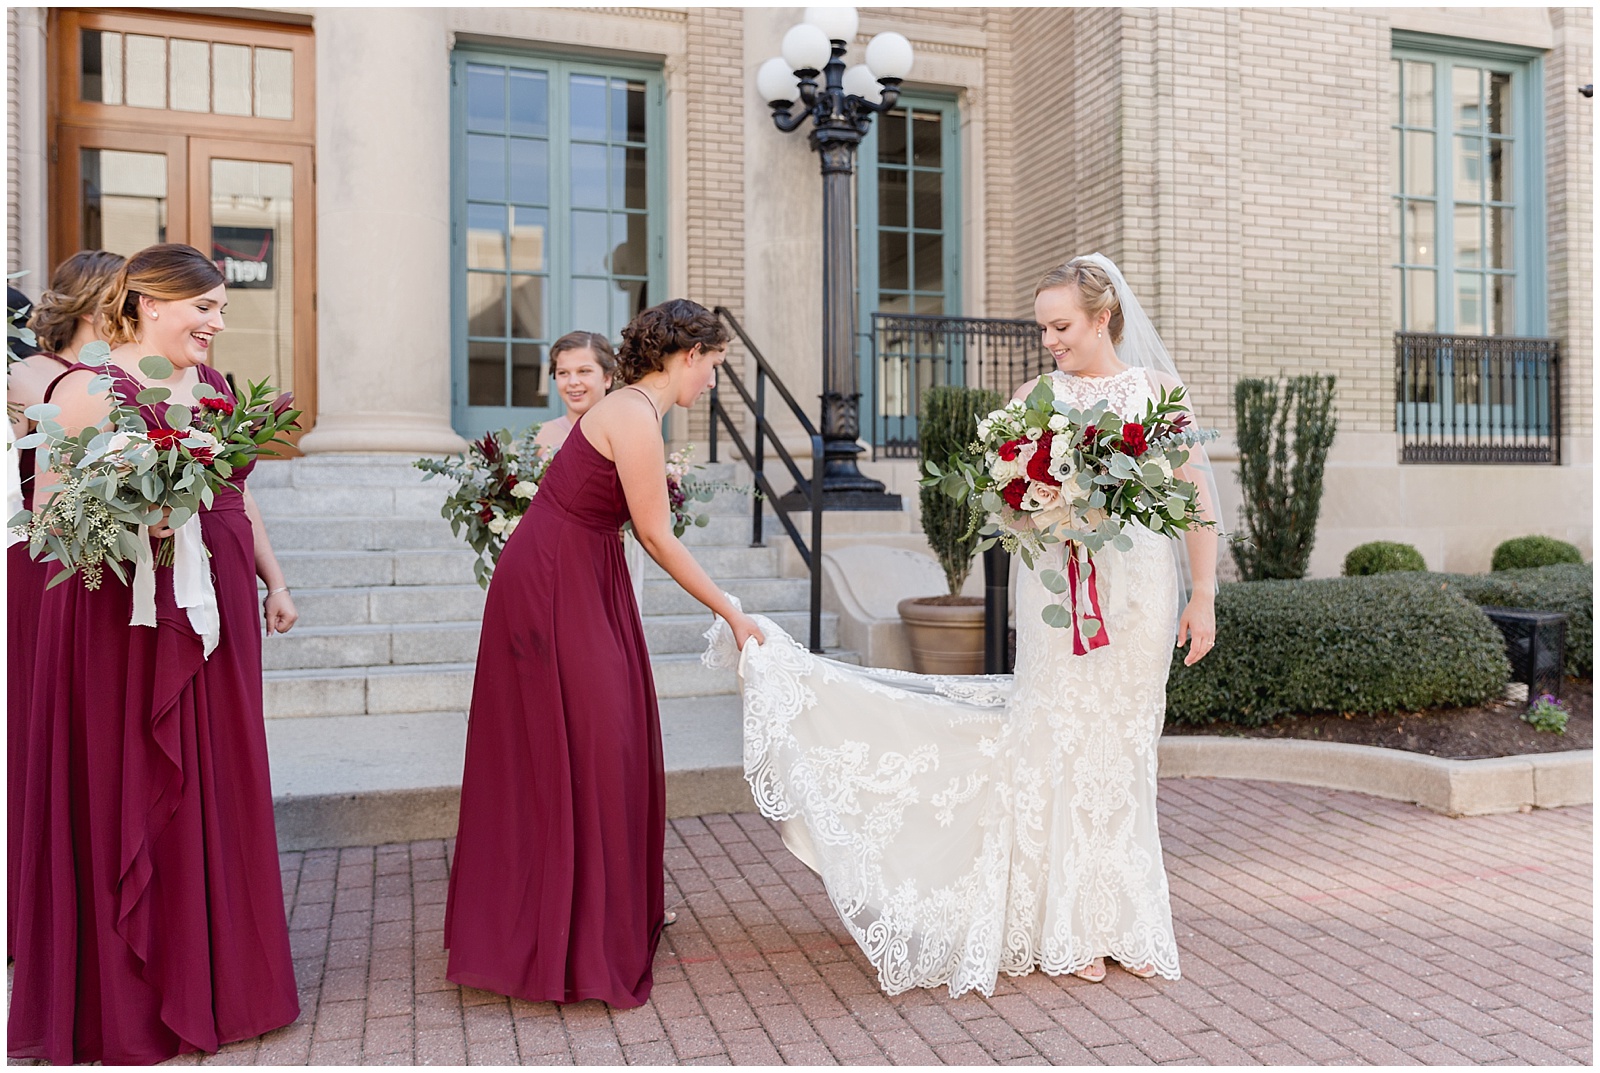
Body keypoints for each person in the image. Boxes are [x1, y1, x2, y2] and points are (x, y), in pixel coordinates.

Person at [708, 253, 1218, 997]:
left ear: (1103, 317)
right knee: (1057, 739)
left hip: (1135, 592)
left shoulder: (1157, 393)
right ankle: (1067, 924)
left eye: (1062, 325)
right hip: (1059, 597)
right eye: (1043, 327)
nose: (1050, 340)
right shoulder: (1036, 397)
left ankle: (1125, 920)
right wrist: (1040, 506)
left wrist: (1201, 593)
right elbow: (1005, 502)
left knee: (1122, 748)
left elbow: (1193, 492)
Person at [8, 244, 300, 1064]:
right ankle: (132, 995)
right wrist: (140, 520)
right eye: (204, 308)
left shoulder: (212, 392)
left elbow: (239, 498)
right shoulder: (91, 392)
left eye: (221, 312)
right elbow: (50, 521)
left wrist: (274, 582)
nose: (216, 323)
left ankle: (221, 979)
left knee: (220, 782)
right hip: (120, 628)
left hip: (216, 615)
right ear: (149, 304)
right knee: (132, 784)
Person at [445, 298, 765, 1009]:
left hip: (582, 571)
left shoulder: (633, 413)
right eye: (712, 366)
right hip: (555, 579)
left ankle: (589, 916)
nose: (711, 382)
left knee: (602, 738)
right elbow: (656, 535)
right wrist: (731, 610)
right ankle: (563, 934)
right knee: (591, 740)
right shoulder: (633, 416)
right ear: (687, 357)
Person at [7, 250, 126, 956]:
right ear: (96, 301)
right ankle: (27, 906)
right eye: (125, 294)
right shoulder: (36, 374)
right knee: (28, 723)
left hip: (109, 557)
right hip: (41, 560)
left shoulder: (127, 376)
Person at [532, 330, 618, 453]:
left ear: (607, 378)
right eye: (563, 373)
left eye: (584, 371)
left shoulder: (623, 434)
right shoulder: (540, 437)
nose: (573, 382)